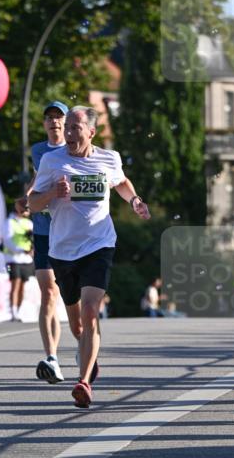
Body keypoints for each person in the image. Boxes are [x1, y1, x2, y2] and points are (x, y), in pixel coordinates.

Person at [29, 105, 150, 408]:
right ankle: (87, 352)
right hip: (62, 250)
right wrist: (52, 194)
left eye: (75, 128)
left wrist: (135, 200)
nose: (68, 133)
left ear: (91, 132)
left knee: (91, 310)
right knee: (77, 325)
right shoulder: (52, 161)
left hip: (99, 244)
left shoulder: (109, 158)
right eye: (67, 127)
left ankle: (83, 382)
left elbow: (121, 182)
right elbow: (33, 204)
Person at [28, 100, 77, 383]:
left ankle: (83, 343)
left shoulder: (76, 148)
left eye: (59, 117)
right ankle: (52, 357)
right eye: (49, 117)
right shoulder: (37, 151)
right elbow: (38, 180)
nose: (54, 121)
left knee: (74, 294)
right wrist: (26, 198)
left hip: (70, 229)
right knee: (48, 292)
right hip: (44, 229)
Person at [3, 197, 34, 321]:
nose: (28, 211)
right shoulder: (9, 222)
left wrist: (31, 250)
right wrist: (21, 250)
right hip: (12, 259)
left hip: (26, 260)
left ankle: (18, 311)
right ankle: (13, 312)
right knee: (15, 283)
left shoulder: (29, 223)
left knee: (22, 286)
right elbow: (7, 241)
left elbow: (32, 240)